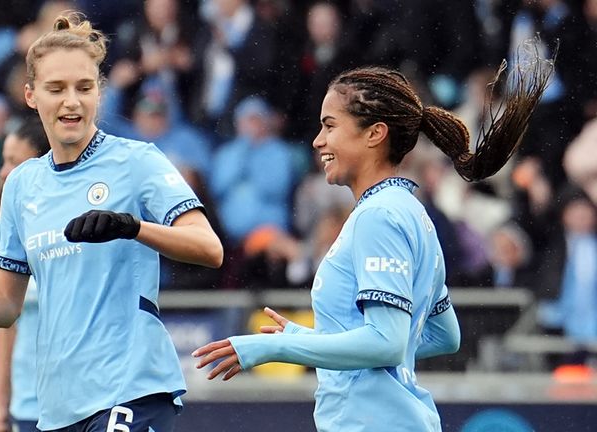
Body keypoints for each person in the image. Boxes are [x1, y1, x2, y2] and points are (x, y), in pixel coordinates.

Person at [194, 51, 553, 431]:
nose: (317, 141)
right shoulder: (412, 212)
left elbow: (387, 342)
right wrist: (317, 340)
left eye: (330, 126)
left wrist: (272, 348)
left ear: (374, 134)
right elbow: (444, 335)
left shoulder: (379, 217)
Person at [0, 12, 223, 432]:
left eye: (84, 88)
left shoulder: (137, 161)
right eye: (57, 89)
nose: (72, 101)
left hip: (132, 387)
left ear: (99, 94)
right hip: (60, 403)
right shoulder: (23, 185)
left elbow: (209, 248)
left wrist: (132, 227)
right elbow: (7, 304)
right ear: (31, 96)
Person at [0, 118, 48, 432]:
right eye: (3, 161)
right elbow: (5, 325)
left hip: (88, 398)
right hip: (28, 398)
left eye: (14, 162)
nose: (4, 172)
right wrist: (0, 402)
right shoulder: (0, 236)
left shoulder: (83, 230)